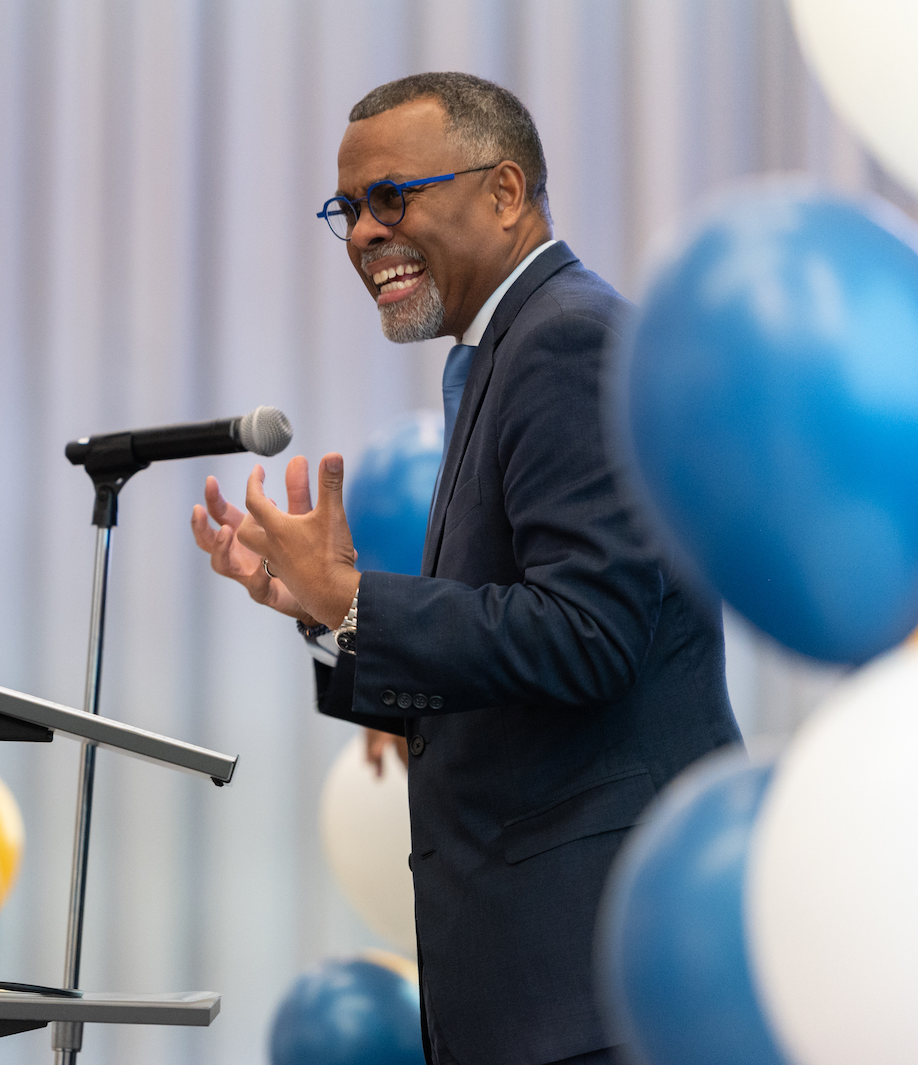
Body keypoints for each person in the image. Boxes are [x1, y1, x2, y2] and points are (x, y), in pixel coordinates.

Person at [190, 73, 740, 1065]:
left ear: (503, 192)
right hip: (543, 985)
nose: (362, 233)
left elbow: (589, 637)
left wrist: (360, 600)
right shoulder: (508, 350)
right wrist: (323, 614)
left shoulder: (567, 340)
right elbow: (504, 669)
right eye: (347, 209)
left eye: (390, 198)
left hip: (595, 978)